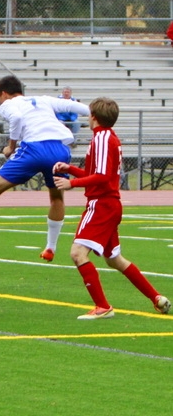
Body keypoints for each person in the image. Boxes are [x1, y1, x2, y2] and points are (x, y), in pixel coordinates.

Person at [0, 75, 90, 262]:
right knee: (56, 198)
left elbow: (17, 117)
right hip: (59, 149)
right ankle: (50, 247)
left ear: (3, 93)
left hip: (34, 149)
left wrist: (11, 146)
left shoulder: (9, 104)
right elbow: (74, 106)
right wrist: (95, 115)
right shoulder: (43, 100)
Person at [52, 97, 170, 319]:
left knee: (77, 253)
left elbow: (102, 176)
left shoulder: (103, 137)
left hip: (102, 204)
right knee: (114, 259)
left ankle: (103, 307)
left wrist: (71, 184)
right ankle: (156, 298)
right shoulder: (106, 137)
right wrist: (71, 170)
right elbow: (96, 174)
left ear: (94, 116)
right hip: (109, 204)